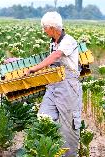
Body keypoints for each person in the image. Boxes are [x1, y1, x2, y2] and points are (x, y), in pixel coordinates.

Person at [25, 11, 82, 157]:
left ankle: (68, 155)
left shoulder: (68, 40)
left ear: (52, 28)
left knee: (68, 125)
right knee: (44, 118)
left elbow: (56, 56)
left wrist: (35, 68)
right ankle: (48, 152)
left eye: (45, 28)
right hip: (53, 85)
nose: (44, 31)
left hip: (68, 87)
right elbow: (48, 59)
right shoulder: (53, 42)